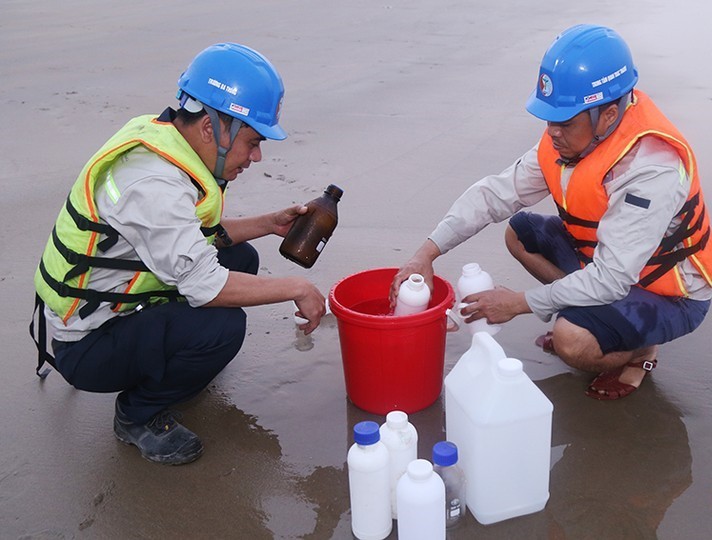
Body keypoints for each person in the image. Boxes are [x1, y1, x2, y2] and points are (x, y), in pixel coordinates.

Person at [30, 43, 327, 465]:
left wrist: (267, 224)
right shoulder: (153, 184)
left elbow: (193, 234)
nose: (257, 156)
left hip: (111, 301)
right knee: (222, 327)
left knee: (240, 258)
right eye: (253, 141)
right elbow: (206, 286)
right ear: (211, 127)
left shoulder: (164, 138)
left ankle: (175, 361)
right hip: (86, 343)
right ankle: (136, 416)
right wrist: (297, 287)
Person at [391, 25, 712, 400]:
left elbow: (611, 278)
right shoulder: (571, 137)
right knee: (519, 233)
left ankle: (638, 351)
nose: (552, 133)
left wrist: (519, 303)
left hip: (669, 292)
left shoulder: (649, 169)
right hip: (613, 264)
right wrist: (425, 254)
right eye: (549, 119)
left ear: (608, 116)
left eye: (564, 122)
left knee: (571, 340)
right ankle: (593, 317)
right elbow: (496, 194)